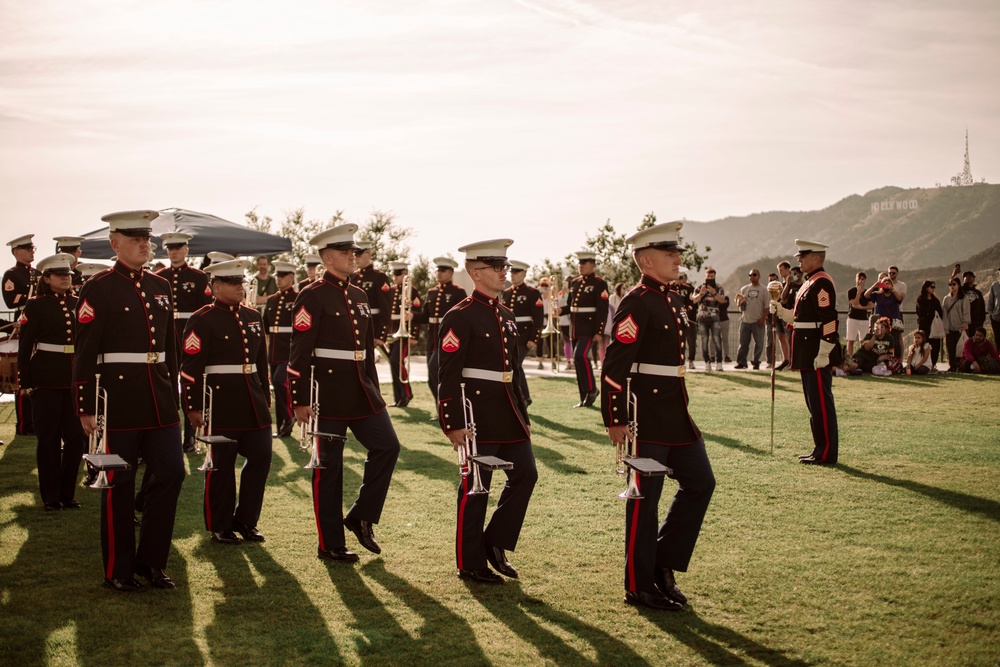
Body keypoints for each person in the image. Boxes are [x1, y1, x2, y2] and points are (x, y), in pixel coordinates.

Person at [602, 221, 714, 611]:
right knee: (644, 502)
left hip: (676, 414)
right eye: (670, 255)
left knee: (701, 483)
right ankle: (639, 585)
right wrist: (615, 417)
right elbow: (614, 364)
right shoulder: (637, 301)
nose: (678, 260)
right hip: (645, 416)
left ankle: (663, 564)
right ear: (647, 260)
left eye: (677, 254)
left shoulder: (673, 298)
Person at [73, 210, 185, 591]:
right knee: (119, 485)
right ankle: (118, 570)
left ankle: (151, 563)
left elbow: (169, 346)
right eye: (136, 238)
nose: (144, 244)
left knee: (171, 473)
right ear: (114, 243)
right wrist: (87, 405)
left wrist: (176, 390)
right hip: (118, 400)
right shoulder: (100, 287)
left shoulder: (160, 285)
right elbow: (85, 351)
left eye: (147, 238)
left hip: (160, 397)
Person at [288, 224, 401, 563]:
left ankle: (360, 515)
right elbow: (299, 351)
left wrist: (375, 391)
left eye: (353, 251)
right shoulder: (311, 293)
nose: (353, 255)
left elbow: (366, 350)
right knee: (329, 469)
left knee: (388, 446)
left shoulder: (360, 295)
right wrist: (299, 399)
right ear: (326, 257)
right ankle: (331, 544)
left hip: (361, 391)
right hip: (327, 394)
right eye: (345, 251)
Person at [437, 238, 536, 584]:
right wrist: (452, 423)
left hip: (508, 412)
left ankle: (495, 542)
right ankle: (470, 562)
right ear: (475, 272)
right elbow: (447, 375)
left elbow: (512, 373)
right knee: (476, 487)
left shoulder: (506, 315)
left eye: (506, 266)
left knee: (526, 474)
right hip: (475, 415)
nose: (504, 272)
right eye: (498, 267)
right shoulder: (459, 316)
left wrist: (523, 414)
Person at [180, 259, 273, 544]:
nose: (240, 287)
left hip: (252, 399)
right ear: (215, 286)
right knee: (221, 465)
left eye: (241, 282)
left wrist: (265, 394)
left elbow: (261, 361)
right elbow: (190, 368)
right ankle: (220, 525)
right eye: (233, 283)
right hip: (220, 402)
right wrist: (193, 406)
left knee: (261, 458)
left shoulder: (253, 316)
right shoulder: (202, 318)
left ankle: (246, 521)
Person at [16, 253, 87, 510]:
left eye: (68, 275)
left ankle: (68, 493)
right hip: (45, 378)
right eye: (59, 275)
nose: (65, 279)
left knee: (75, 439)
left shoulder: (79, 303)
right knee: (48, 439)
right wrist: (23, 380)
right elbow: (25, 346)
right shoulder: (35, 305)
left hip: (73, 378)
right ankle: (51, 496)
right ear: (46, 278)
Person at [771, 240, 842, 465]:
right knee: (813, 404)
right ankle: (819, 448)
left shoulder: (821, 283)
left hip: (815, 351)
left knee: (821, 403)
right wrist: (782, 312)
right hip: (806, 350)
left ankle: (827, 451)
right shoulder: (809, 282)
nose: (799, 259)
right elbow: (801, 318)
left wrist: (824, 351)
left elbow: (829, 320)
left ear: (817, 258)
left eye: (803, 255)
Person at [155, 232, 212, 452]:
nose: (173, 252)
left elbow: (205, 312)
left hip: (190, 337)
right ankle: (168, 432)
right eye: (170, 248)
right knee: (166, 386)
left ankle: (190, 435)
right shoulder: (159, 277)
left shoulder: (199, 277)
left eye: (178, 248)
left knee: (190, 384)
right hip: (166, 337)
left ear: (186, 250)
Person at [412, 257, 467, 403]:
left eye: (443, 271)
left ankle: (447, 403)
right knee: (431, 376)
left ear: (451, 272)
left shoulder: (458, 292)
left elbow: (464, 317)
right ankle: (441, 406)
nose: (439, 273)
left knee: (434, 368)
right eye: (438, 270)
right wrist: (411, 316)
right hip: (432, 339)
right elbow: (425, 316)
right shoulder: (431, 292)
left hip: (448, 339)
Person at [562, 252, 609, 406]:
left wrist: (599, 331)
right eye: (579, 263)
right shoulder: (574, 283)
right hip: (575, 328)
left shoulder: (599, 283)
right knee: (577, 359)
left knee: (580, 355)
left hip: (589, 328)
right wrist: (559, 311)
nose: (580, 266)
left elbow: (602, 309)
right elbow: (570, 306)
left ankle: (592, 389)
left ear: (593, 265)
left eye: (584, 263)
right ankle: (584, 395)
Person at [4, 234, 39, 434]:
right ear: (17, 252)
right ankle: (25, 424)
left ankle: (36, 421)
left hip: (41, 324)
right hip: (24, 322)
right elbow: (11, 300)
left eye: (33, 248)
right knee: (24, 375)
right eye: (28, 249)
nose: (32, 251)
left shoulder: (38, 272)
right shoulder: (12, 274)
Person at [263, 260, 299, 438]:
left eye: (283, 275)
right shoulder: (271, 300)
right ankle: (284, 426)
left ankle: (290, 415)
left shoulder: (298, 298)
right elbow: (266, 328)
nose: (279, 279)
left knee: (279, 381)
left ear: (292, 277)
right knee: (276, 387)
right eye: (277, 275)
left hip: (290, 350)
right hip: (275, 351)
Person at [500, 260, 543, 404]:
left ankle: (522, 397)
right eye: (511, 272)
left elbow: (538, 319)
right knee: (514, 366)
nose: (513, 275)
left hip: (524, 337)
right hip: (509, 337)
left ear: (524, 274)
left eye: (516, 272)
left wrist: (534, 338)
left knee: (515, 365)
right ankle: (524, 397)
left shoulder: (532, 293)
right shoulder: (506, 292)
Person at [350, 239, 392, 356]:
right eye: (354, 254)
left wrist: (380, 335)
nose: (356, 258)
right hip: (353, 327)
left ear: (368, 254)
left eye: (359, 254)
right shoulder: (352, 277)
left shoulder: (379, 277)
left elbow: (385, 307)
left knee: (367, 364)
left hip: (370, 328)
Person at [387, 260, 417, 407]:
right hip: (393, 332)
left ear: (405, 274)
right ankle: (398, 397)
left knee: (396, 362)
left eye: (398, 274)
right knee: (392, 364)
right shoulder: (391, 290)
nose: (395, 277)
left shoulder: (412, 290)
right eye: (394, 274)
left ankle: (407, 393)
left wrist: (414, 335)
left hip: (405, 333)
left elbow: (415, 312)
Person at [692, 266, 726, 371]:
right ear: (705, 276)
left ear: (715, 276)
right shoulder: (699, 287)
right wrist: (701, 293)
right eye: (708, 276)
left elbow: (722, 300)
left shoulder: (719, 287)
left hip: (714, 317)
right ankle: (707, 362)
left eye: (712, 276)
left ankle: (719, 362)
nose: (710, 278)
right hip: (702, 318)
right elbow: (694, 300)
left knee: (717, 339)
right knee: (704, 340)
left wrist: (714, 292)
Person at [734, 269, 767, 369]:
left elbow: (766, 307)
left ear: (759, 276)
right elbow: (738, 301)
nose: (752, 277)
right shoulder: (744, 289)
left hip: (758, 321)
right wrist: (740, 302)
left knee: (759, 343)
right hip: (745, 320)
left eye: (754, 275)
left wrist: (763, 319)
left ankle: (756, 362)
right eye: (750, 275)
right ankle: (741, 362)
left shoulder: (764, 290)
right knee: (743, 343)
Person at [866, 272, 904, 358]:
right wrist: (874, 286)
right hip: (880, 321)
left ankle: (897, 361)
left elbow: (900, 299)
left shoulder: (894, 295)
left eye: (888, 283)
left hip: (892, 321)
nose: (886, 285)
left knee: (895, 342)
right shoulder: (877, 294)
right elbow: (866, 295)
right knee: (879, 340)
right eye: (885, 284)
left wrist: (892, 289)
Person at [941, 279, 970, 372]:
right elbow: (944, 314)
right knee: (950, 347)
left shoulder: (963, 298)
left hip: (960, 327)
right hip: (950, 327)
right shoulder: (946, 298)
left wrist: (965, 323)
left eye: (954, 284)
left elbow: (966, 312)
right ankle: (952, 365)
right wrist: (945, 327)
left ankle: (960, 364)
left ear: (958, 285)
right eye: (950, 284)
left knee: (960, 347)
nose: (952, 286)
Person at [914, 280, 944, 367]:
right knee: (924, 344)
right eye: (932, 287)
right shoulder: (920, 300)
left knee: (935, 345)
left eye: (934, 287)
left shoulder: (936, 301)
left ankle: (933, 363)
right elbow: (920, 312)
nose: (933, 289)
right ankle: (923, 363)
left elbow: (939, 312)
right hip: (924, 326)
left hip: (935, 325)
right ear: (926, 288)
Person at [845, 272, 874, 360]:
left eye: (862, 279)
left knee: (863, 341)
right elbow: (854, 303)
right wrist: (858, 293)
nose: (860, 280)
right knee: (851, 340)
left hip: (864, 319)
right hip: (852, 318)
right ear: (856, 279)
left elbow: (872, 305)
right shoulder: (851, 291)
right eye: (859, 278)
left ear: (865, 280)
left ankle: (862, 358)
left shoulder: (867, 293)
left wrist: (861, 307)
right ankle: (850, 359)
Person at [672, 270, 697, 370]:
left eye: (680, 277)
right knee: (676, 340)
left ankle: (691, 360)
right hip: (674, 318)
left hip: (688, 318)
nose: (679, 279)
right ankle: (677, 361)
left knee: (691, 340)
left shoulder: (688, 288)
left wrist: (685, 312)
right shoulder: (669, 288)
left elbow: (691, 303)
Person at [989, 268, 1000, 344]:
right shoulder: (995, 285)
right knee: (998, 338)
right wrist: (991, 314)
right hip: (996, 317)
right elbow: (991, 301)